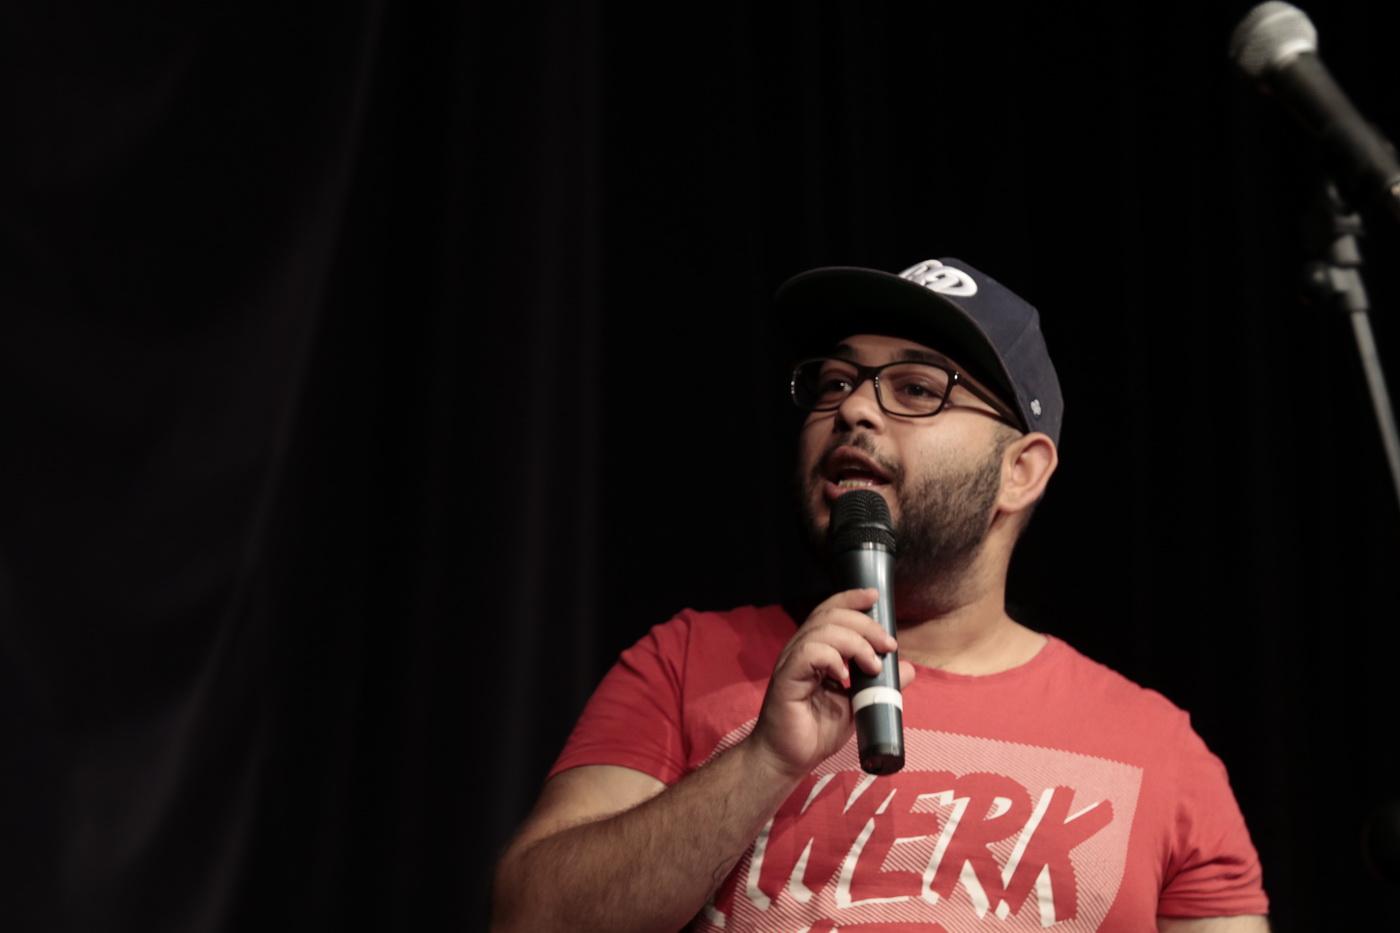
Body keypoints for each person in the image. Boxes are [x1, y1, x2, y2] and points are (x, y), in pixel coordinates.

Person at [490, 257, 1269, 931]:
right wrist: (762, 761)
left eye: (917, 389)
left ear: (1021, 470)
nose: (852, 409)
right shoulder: (688, 660)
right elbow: (530, 917)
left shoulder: (1161, 751)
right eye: (835, 381)